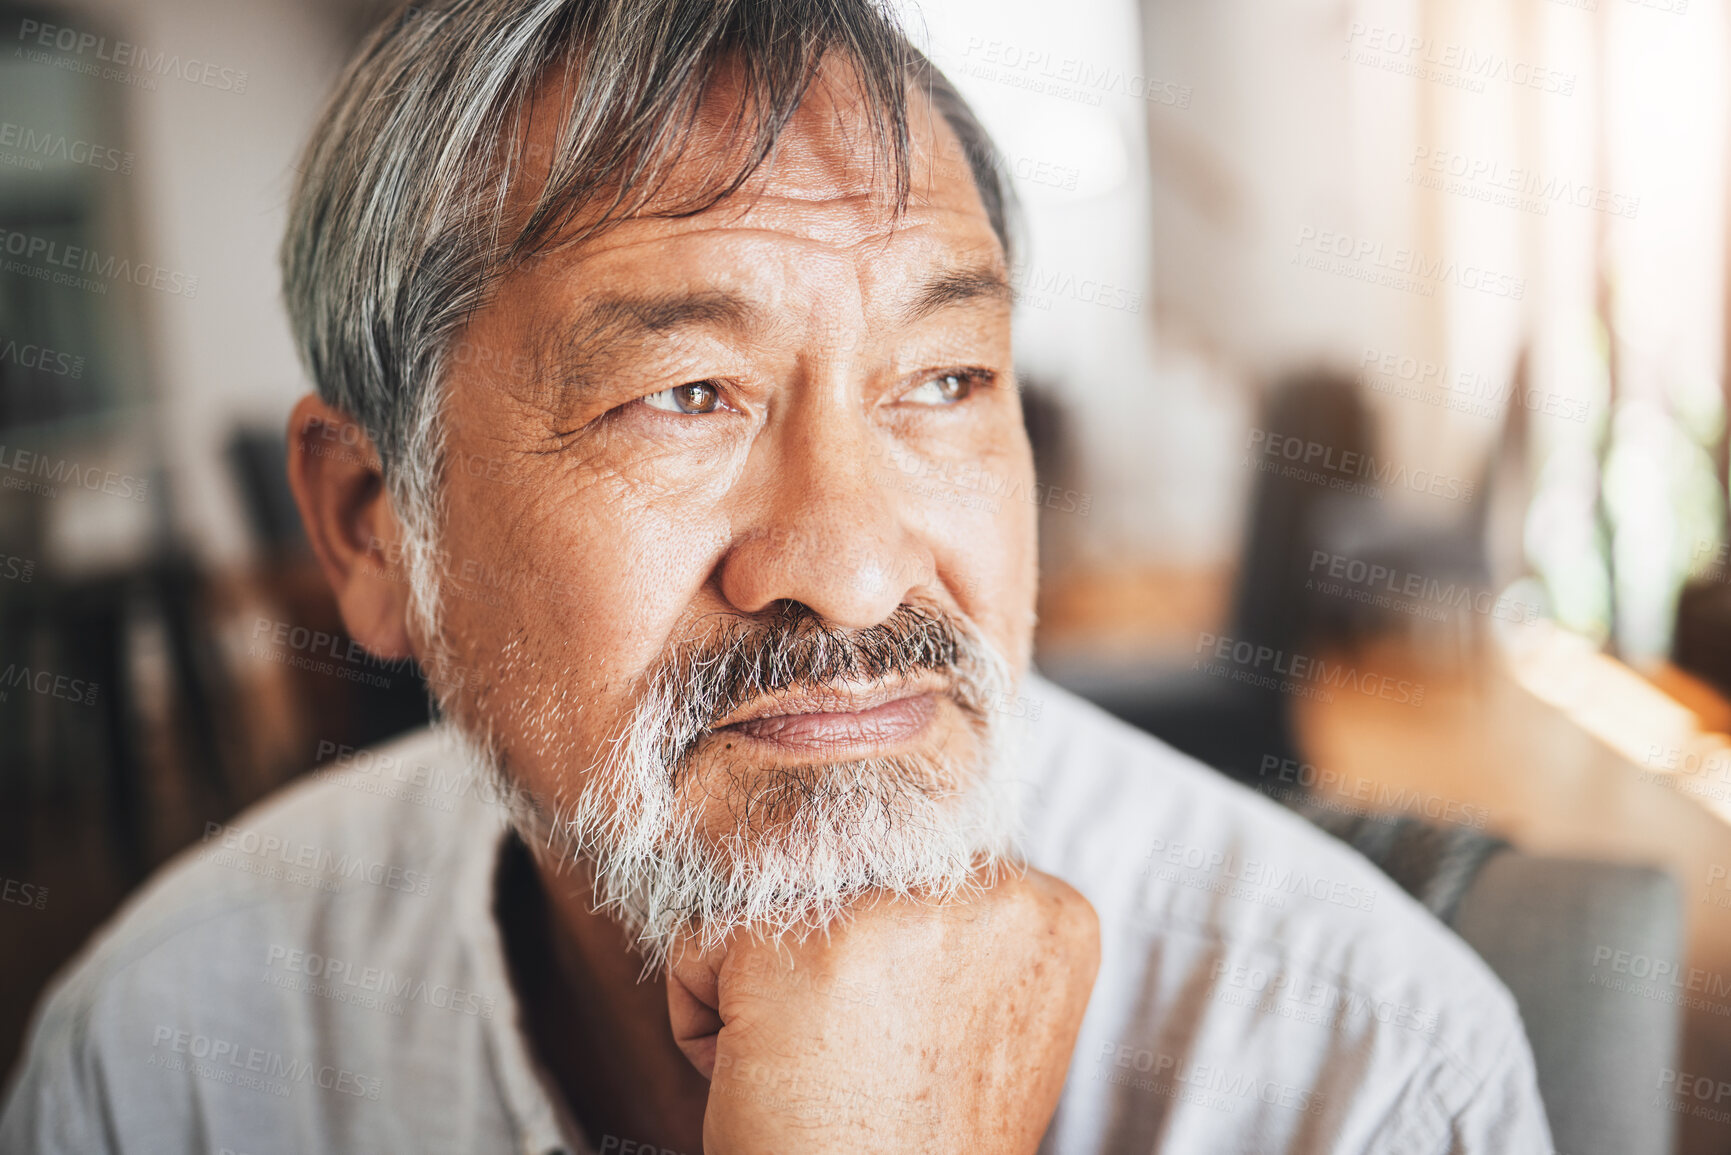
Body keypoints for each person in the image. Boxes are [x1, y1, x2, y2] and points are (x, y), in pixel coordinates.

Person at [0, 0, 1553, 1150]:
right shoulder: (170, 1059)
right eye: (687, 396)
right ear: (369, 527)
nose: (861, 572)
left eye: (945, 379)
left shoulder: (1360, 1076)